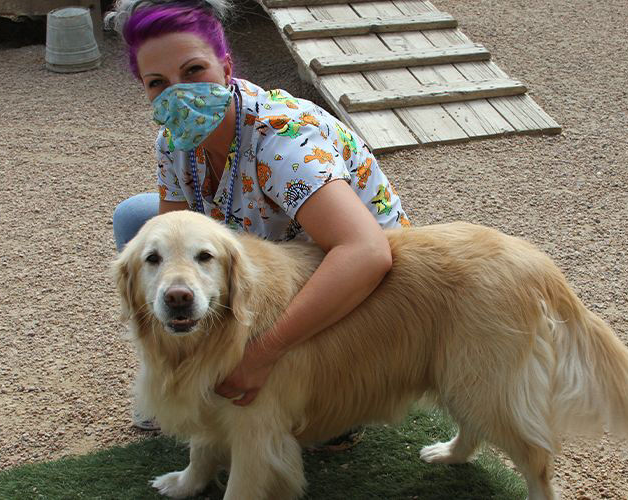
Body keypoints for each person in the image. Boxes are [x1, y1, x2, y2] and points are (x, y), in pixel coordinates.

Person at [108, 0, 411, 435]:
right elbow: (172, 240)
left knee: (305, 409)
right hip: (265, 261)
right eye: (158, 82)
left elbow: (367, 252)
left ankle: (328, 396)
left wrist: (261, 354)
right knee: (139, 223)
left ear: (226, 68)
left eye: (193, 71)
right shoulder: (173, 139)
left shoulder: (283, 141)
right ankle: (177, 382)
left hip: (356, 286)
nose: (178, 94)